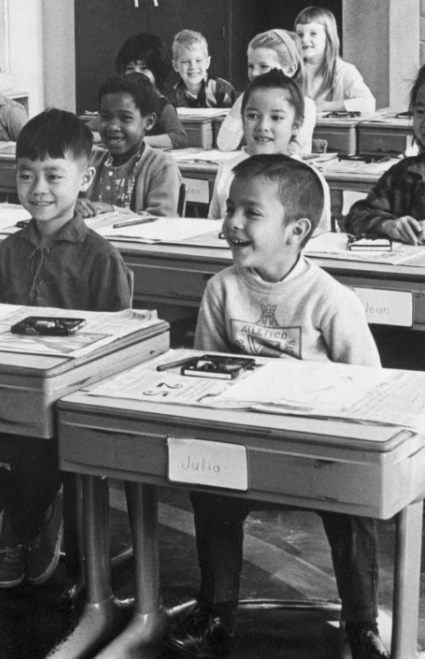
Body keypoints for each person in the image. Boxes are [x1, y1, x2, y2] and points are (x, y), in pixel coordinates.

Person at [164, 154, 386, 659]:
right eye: (229, 209)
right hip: (247, 441)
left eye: (250, 212)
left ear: (297, 229)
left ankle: (361, 625)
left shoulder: (331, 300)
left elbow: (370, 388)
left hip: (316, 447)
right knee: (210, 488)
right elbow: (207, 375)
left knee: (352, 505)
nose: (232, 223)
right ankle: (217, 612)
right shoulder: (221, 290)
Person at [0, 109, 133, 588]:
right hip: (2, 396)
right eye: (26, 176)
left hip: (64, 408)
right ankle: (32, 514)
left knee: (39, 449)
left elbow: (120, 349)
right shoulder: (4, 254)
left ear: (85, 179)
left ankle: (15, 531)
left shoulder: (101, 259)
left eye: (54, 176)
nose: (38, 188)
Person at [344, 59, 425, 515]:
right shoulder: (404, 173)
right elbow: (357, 216)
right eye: (420, 111)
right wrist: (390, 224)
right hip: (402, 305)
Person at [207, 70, 332, 234]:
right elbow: (211, 230)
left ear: (295, 126)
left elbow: (322, 240)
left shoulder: (311, 180)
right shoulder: (227, 170)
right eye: (252, 115)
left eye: (276, 118)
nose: (263, 126)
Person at [78, 75, 182, 217]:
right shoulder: (87, 160)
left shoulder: (161, 165)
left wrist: (113, 212)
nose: (113, 126)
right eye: (105, 117)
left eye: (125, 118)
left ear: (149, 122)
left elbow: (161, 223)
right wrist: (73, 205)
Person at [216, 29, 317, 152]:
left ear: (290, 70)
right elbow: (224, 144)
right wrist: (245, 97)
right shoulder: (249, 101)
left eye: (264, 66)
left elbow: (291, 150)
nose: (254, 73)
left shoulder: (306, 105)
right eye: (251, 66)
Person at [295, 6, 375, 114]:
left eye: (313, 33)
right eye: (300, 34)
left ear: (328, 37)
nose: (304, 39)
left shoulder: (344, 70)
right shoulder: (292, 68)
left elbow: (368, 103)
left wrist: (325, 106)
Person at [115, 32, 189, 149]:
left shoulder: (163, 106)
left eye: (144, 68)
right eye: (130, 68)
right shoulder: (119, 104)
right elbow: (89, 129)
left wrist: (137, 140)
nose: (136, 74)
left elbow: (180, 138)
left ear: (157, 72)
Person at [166, 29, 237, 109]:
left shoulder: (223, 90)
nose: (193, 66)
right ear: (175, 66)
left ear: (207, 62)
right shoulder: (172, 98)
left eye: (198, 60)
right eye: (185, 61)